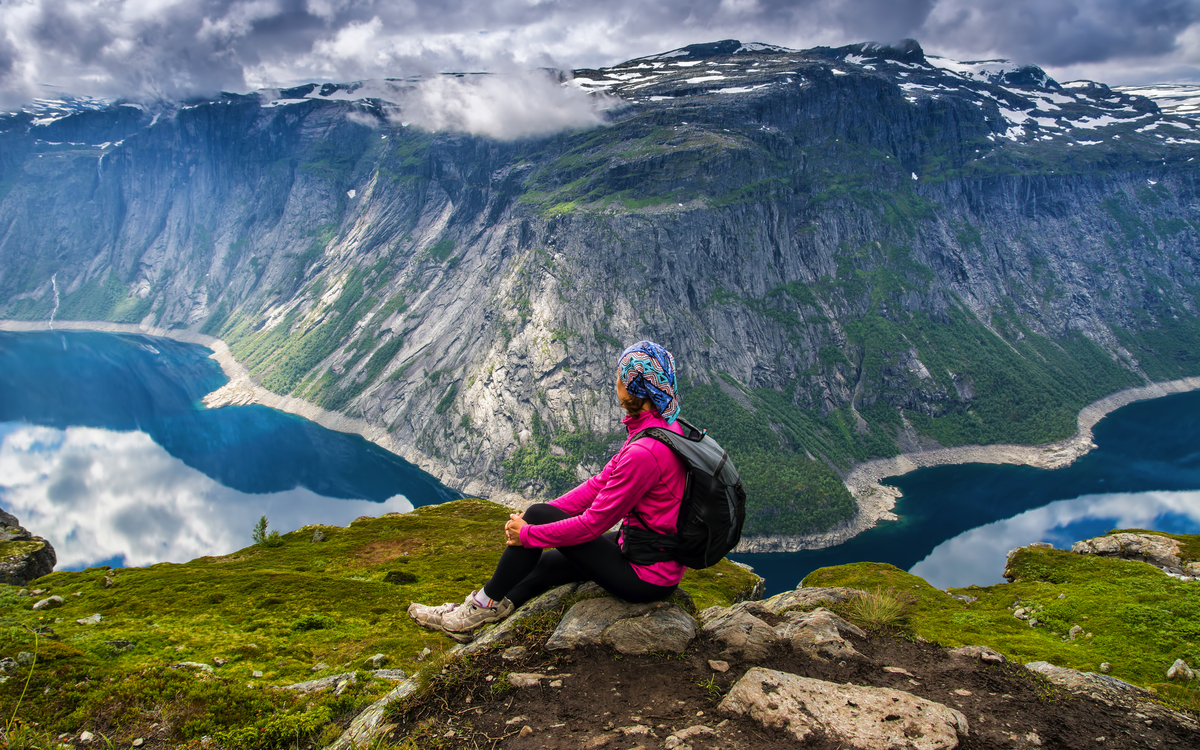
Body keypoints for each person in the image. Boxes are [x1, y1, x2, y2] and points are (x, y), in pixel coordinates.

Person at [408, 340, 688, 640]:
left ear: (636, 387)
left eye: (621, 376)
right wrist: (540, 516)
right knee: (545, 565)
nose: (616, 382)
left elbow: (594, 523)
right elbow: (600, 483)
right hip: (645, 551)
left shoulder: (645, 451)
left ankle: (478, 608)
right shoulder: (663, 426)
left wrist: (529, 530)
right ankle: (480, 607)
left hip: (646, 577)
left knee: (539, 521)